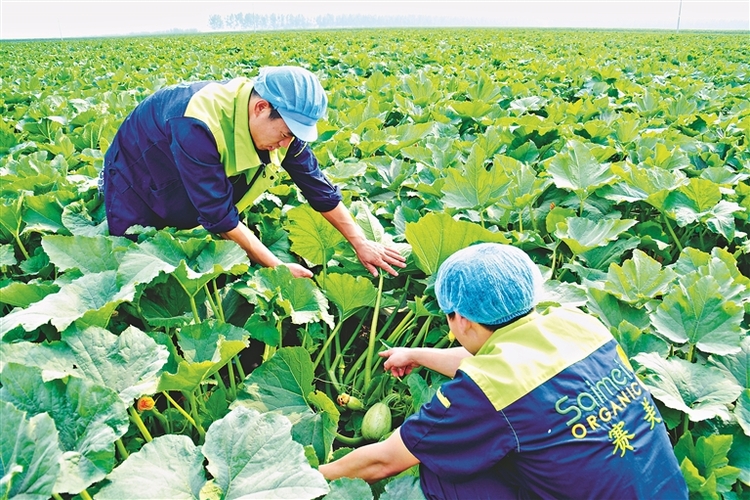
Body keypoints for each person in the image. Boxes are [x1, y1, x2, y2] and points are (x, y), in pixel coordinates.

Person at [319, 243, 688, 499]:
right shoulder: (579, 324)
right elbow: (513, 377)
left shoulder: (487, 388)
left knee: (439, 468)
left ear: (460, 319)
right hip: (668, 492)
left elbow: (385, 459)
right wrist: (416, 353)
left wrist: (301, 481)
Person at [101, 66, 405, 278]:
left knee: (197, 223)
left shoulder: (281, 131)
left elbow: (318, 189)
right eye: (285, 133)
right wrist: (275, 265)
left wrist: (360, 242)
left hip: (190, 164)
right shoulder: (196, 123)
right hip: (137, 167)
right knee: (137, 260)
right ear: (261, 108)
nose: (286, 143)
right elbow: (219, 215)